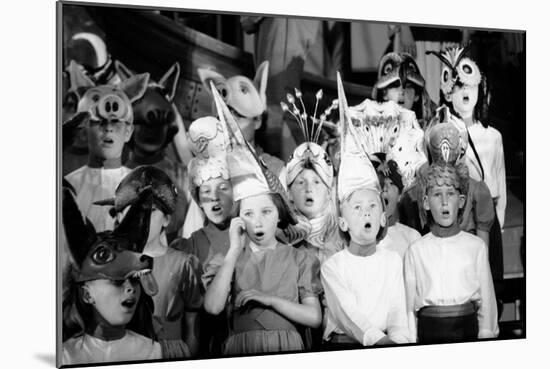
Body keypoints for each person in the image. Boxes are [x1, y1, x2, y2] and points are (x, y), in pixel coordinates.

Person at [202, 87, 322, 355]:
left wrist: (268, 300)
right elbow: (212, 307)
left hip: (287, 347)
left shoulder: (298, 258)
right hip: (242, 348)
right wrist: (233, 251)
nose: (257, 222)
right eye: (248, 214)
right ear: (238, 219)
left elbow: (314, 317)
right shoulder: (227, 258)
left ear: (279, 214)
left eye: (266, 212)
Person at [321, 74, 410, 349]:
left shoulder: (392, 261)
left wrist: (401, 342)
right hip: (345, 347)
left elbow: (398, 313)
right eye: (357, 208)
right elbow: (350, 318)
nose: (366, 213)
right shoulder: (333, 266)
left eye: (372, 206)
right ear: (343, 223)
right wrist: (383, 343)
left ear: (383, 216)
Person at [404, 107, 499, 343]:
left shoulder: (475, 247)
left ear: (462, 200)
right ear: (426, 202)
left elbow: (486, 302)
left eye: (451, 194)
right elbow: (407, 309)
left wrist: (486, 336)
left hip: (467, 332)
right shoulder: (416, 251)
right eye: (437, 195)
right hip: (429, 334)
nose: (445, 202)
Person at [104, 166, 204, 359]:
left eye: (150, 211)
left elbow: (193, 326)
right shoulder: (108, 266)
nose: (139, 218)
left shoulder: (184, 264)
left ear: (166, 219)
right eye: (130, 211)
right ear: (118, 216)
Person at [428, 46, 505, 282]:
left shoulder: (493, 136)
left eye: (470, 86)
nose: (465, 91)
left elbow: (499, 187)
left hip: (487, 217)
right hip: (456, 216)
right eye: (459, 85)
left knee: (489, 282)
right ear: (448, 92)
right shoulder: (436, 133)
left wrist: (497, 227)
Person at [61, 186, 161, 365]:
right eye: (117, 281)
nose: (130, 288)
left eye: (135, 279)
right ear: (87, 294)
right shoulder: (65, 356)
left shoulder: (154, 352)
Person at [171, 116, 235, 357]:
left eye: (223, 188)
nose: (215, 198)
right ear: (198, 200)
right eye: (206, 191)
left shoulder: (250, 236)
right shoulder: (191, 246)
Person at [63, 59, 149, 232]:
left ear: (128, 132)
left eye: (116, 122)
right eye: (100, 122)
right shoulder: (67, 188)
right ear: (84, 129)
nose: (108, 128)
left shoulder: (141, 190)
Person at [374, 155, 421, 259]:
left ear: (400, 195)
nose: (384, 188)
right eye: (379, 184)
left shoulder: (412, 238)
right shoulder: (358, 239)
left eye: (391, 183)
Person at [372, 52, 436, 128]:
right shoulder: (371, 126)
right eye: (395, 86)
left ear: (416, 95)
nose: (401, 91)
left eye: (408, 86)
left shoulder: (431, 128)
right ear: (384, 93)